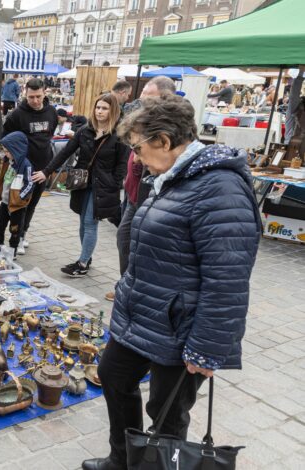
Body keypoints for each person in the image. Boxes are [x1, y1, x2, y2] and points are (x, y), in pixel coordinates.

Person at [82, 94, 261, 470]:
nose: (136, 158)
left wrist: (207, 347)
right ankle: (124, 459)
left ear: (164, 140)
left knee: (166, 414)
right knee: (113, 376)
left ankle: (154, 465)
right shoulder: (174, 175)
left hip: (182, 327)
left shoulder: (219, 189)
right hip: (146, 311)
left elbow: (228, 279)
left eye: (139, 148)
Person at [43, 93, 129, 277]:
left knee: (90, 223)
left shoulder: (120, 135)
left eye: (104, 108)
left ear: (113, 110)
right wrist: (46, 171)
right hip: (82, 184)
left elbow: (123, 165)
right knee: (83, 223)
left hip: (103, 187)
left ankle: (82, 263)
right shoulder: (85, 130)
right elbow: (65, 152)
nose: (99, 111)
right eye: (98, 107)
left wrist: (114, 184)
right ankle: (86, 257)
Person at [2, 78, 59, 254]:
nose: (35, 100)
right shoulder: (17, 115)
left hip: (43, 168)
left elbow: (50, 135)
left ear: (45, 92)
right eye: (31, 97)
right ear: (25, 94)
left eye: (38, 96)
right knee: (19, 204)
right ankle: (15, 237)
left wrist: (48, 168)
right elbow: (5, 138)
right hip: (23, 169)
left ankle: (23, 233)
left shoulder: (51, 112)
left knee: (32, 204)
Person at [0, 131, 34, 257]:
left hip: (17, 205)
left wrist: (20, 197)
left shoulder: (26, 165)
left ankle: (13, 250)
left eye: (7, 151)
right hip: (5, 202)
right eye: (4, 150)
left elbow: (30, 183)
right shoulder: (8, 162)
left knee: (15, 228)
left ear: (17, 149)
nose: (5, 153)